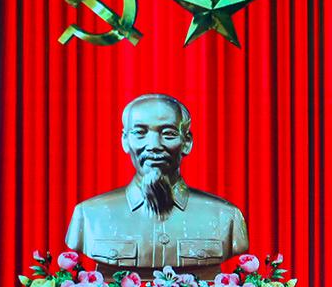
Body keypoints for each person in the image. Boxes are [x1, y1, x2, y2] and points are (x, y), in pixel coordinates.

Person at [65, 93, 249, 276]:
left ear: (187, 142)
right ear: (125, 140)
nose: (153, 145)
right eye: (140, 133)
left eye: (168, 134)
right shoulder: (89, 215)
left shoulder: (225, 216)